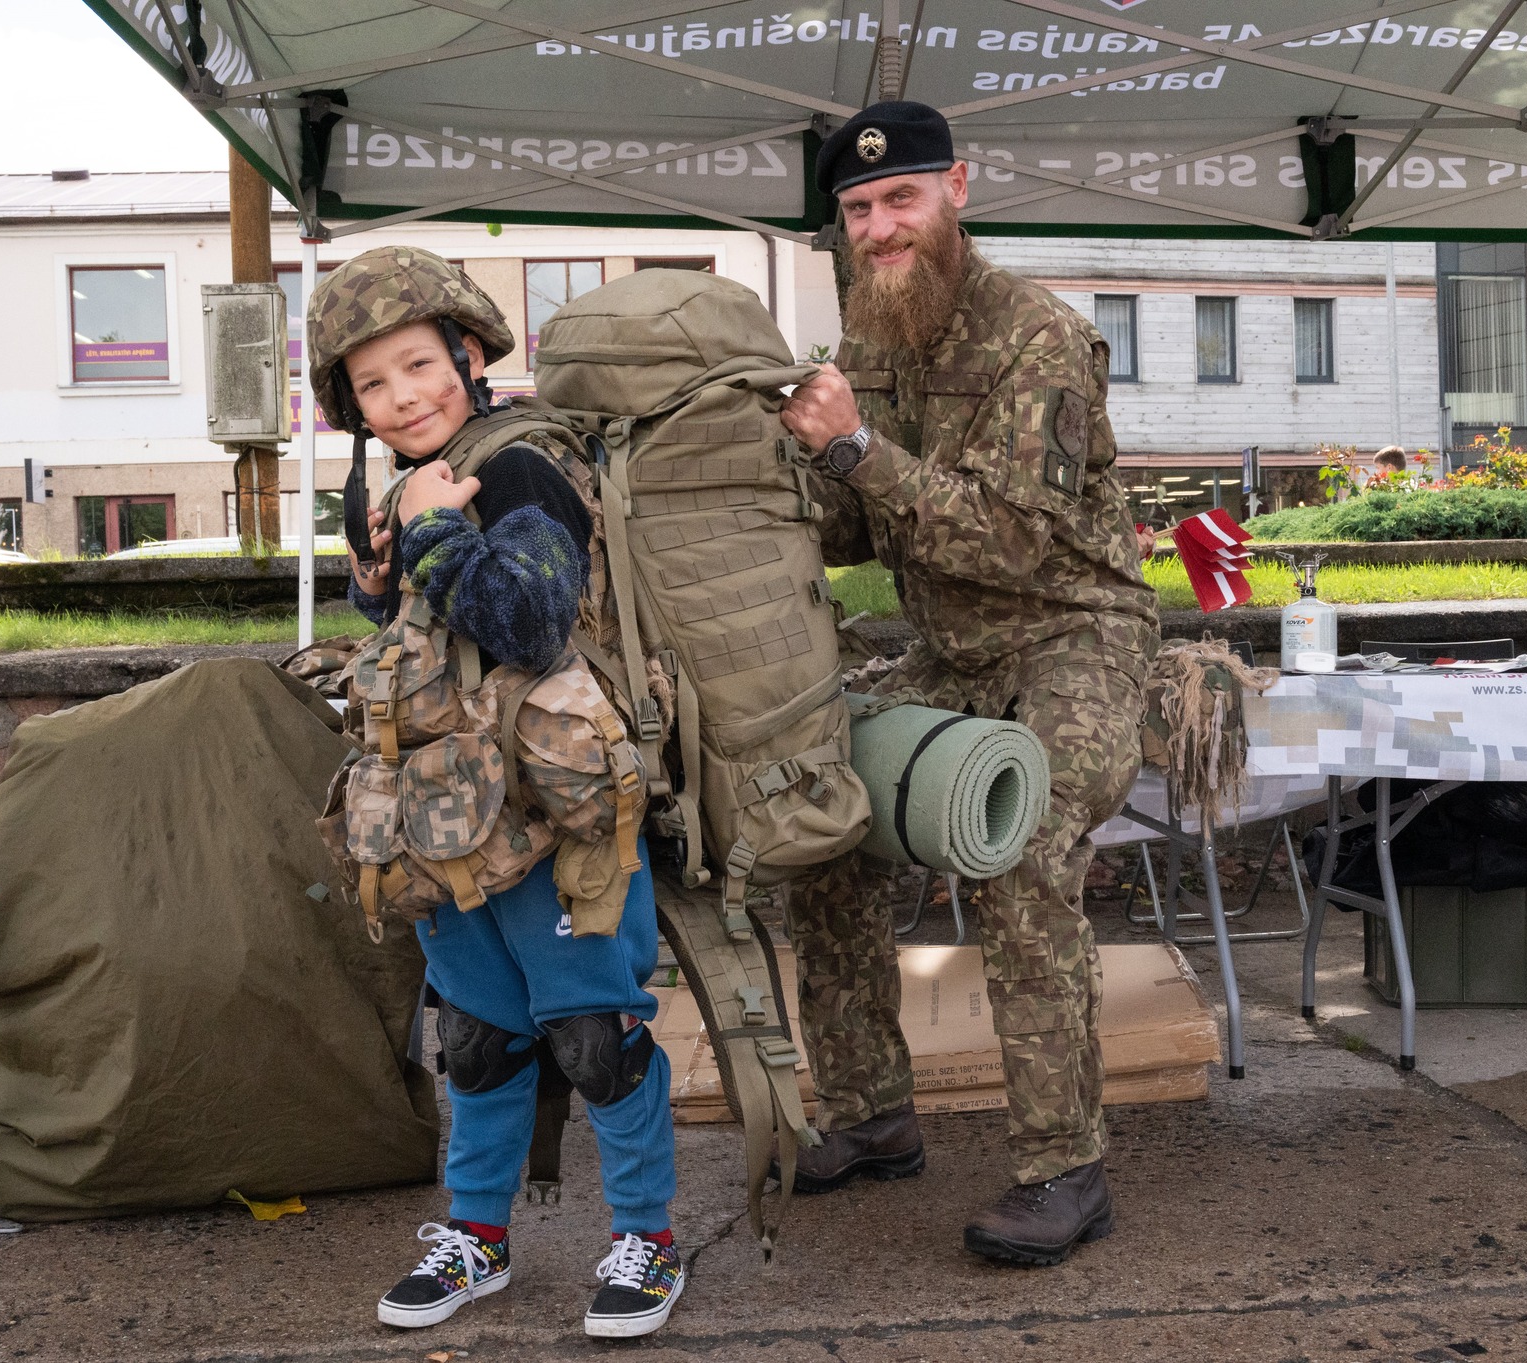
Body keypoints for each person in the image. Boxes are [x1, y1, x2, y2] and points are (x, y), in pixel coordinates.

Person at [777, 101, 1159, 1267]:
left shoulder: (1039, 337)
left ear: (955, 190)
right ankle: (869, 1114)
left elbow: (1008, 545)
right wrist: (779, 467)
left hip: (1073, 636)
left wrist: (855, 449)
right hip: (949, 651)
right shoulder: (868, 334)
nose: (877, 228)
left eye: (898, 198)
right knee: (820, 813)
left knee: (1020, 842)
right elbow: (852, 529)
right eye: (856, 210)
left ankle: (1063, 1168)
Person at [306, 246, 685, 1340]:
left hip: (558, 811)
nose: (402, 397)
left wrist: (432, 527)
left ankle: (649, 1239)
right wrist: (378, 574)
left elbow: (526, 621)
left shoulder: (518, 465)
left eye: (419, 365)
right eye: (372, 384)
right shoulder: (402, 480)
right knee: (474, 1036)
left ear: (468, 354)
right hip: (446, 810)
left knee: (594, 1035)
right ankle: (476, 1236)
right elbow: (423, 634)